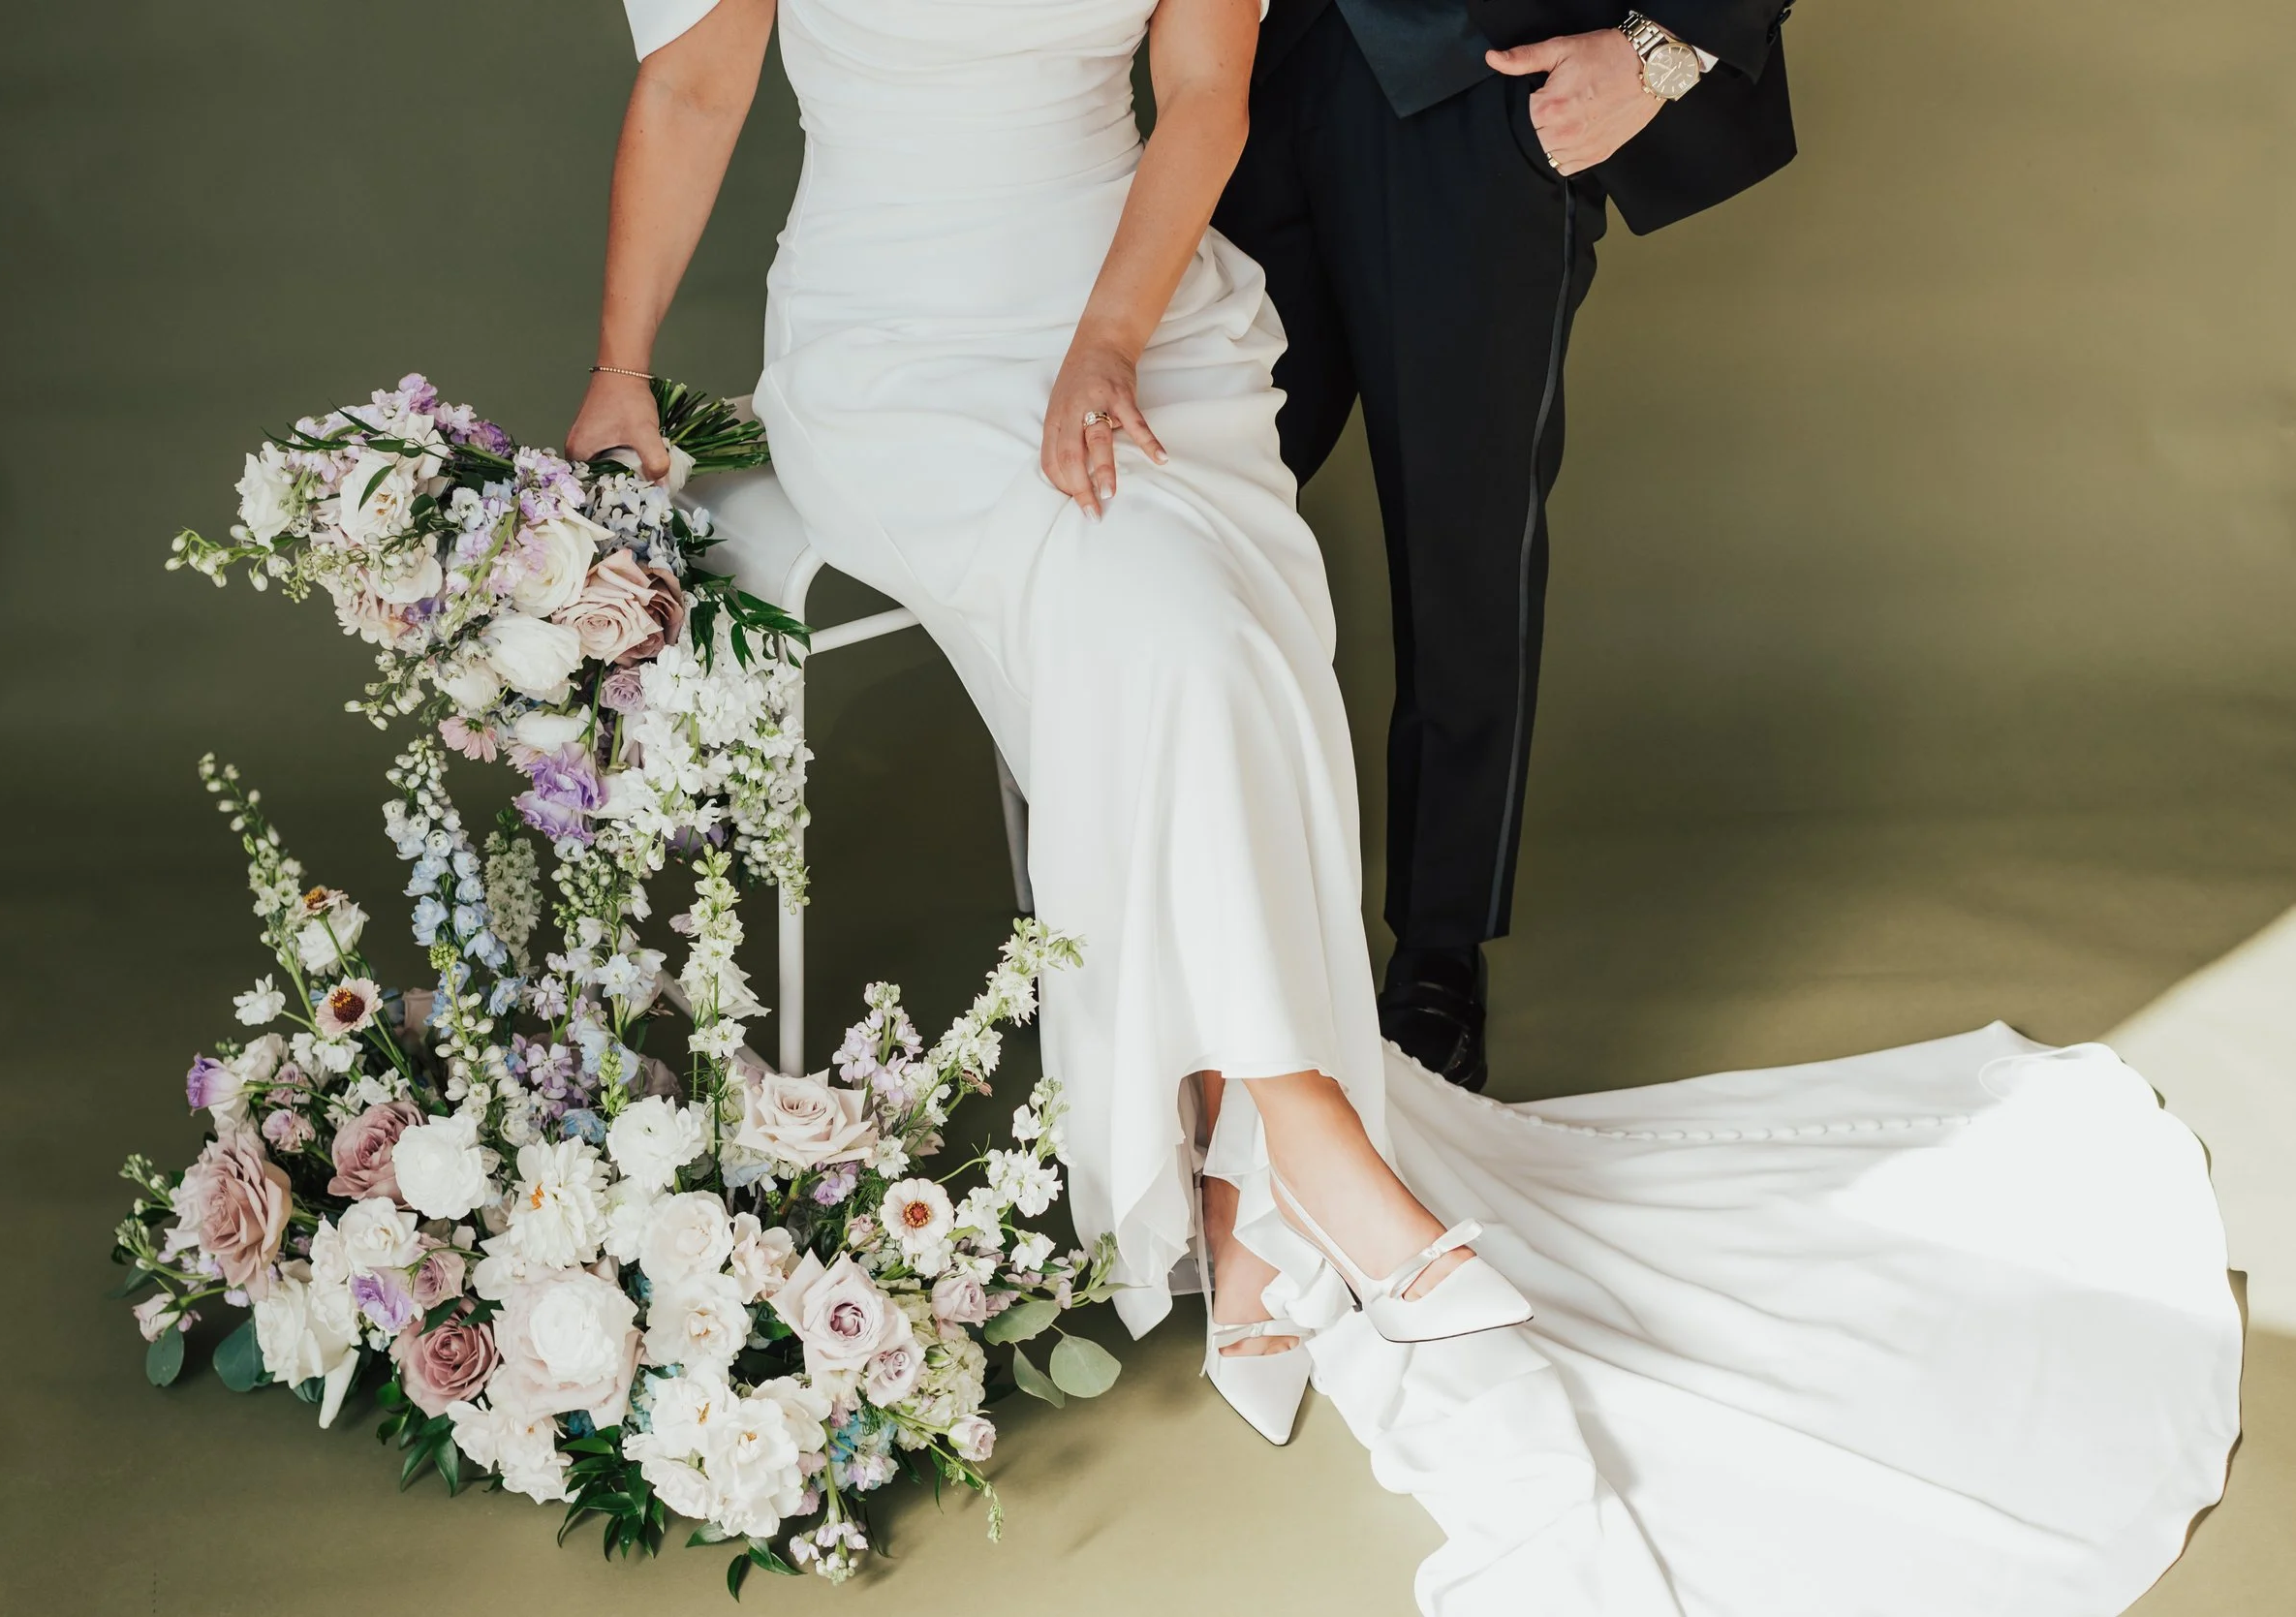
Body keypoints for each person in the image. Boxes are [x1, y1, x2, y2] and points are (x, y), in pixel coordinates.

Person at [568, 1, 2241, 1609]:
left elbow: (1189, 91)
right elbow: (710, 89)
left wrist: (1659, 48)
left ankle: (1346, 1052)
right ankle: (1299, 1145)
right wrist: (621, 365)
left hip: (1289, 190)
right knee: (1179, 619)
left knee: (1322, 591)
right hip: (990, 283)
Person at [1215, 0, 1799, 1089]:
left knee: (1461, 537)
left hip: (1474, 84)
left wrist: (1659, 51)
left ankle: (1439, 947)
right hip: (1238, 71)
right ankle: (1178, 901)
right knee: (1178, 511)